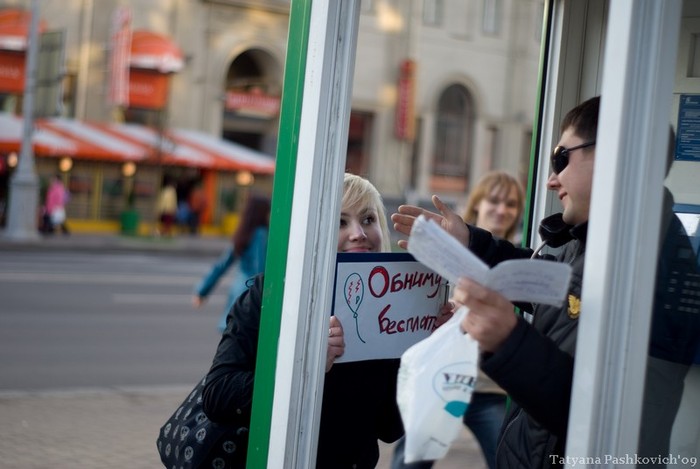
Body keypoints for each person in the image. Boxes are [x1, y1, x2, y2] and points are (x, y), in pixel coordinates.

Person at [392, 96, 600, 468]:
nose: (552, 180)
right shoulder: (579, 244)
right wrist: (471, 242)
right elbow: (535, 276)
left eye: (561, 158)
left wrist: (508, 338)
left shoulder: (632, 261)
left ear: (607, 155)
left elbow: (595, 412)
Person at [201, 173, 404, 468]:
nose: (359, 233)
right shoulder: (270, 295)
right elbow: (218, 396)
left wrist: (419, 348)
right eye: (340, 222)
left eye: (368, 219)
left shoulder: (390, 309)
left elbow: (390, 428)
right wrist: (305, 366)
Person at [391, 170, 524, 469]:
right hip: (443, 375)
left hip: (492, 387)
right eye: (494, 201)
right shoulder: (449, 246)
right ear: (477, 204)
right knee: (409, 461)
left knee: (510, 459)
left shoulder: (521, 257)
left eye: (511, 204)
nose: (502, 210)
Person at [193, 193, 270, 333]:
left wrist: (202, 291)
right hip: (252, 298)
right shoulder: (261, 234)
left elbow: (221, 265)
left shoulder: (243, 234)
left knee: (231, 344)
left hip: (237, 296)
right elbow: (260, 269)